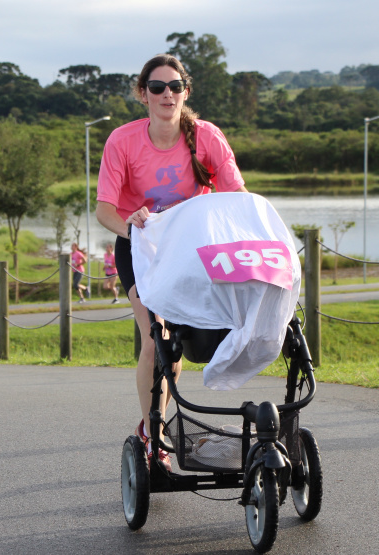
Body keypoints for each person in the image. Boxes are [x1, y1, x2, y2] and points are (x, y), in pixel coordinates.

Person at [95, 54, 248, 471]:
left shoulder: (206, 136)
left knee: (176, 354)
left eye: (175, 86)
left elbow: (237, 195)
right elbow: (104, 210)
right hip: (140, 248)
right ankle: (154, 436)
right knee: (154, 342)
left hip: (194, 251)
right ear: (143, 94)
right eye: (158, 87)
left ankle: (153, 423)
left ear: (185, 91)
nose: (168, 94)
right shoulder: (122, 141)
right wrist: (134, 225)